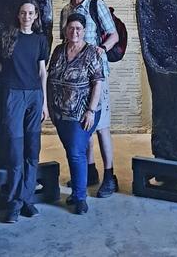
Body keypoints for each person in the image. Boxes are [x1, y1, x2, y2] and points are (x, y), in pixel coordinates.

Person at [0, 1, 49, 223]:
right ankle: (13, 203)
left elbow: (43, 72)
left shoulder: (40, 40)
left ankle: (26, 200)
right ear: (18, 14)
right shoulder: (8, 36)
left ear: (35, 16)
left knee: (32, 152)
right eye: (23, 12)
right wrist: (7, 73)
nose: (26, 16)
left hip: (34, 96)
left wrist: (44, 103)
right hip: (13, 95)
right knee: (15, 152)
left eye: (30, 13)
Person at [59, 0, 119, 198]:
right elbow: (65, 42)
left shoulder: (96, 5)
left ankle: (109, 176)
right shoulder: (66, 11)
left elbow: (113, 35)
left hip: (96, 76)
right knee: (81, 124)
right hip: (74, 79)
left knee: (101, 126)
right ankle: (90, 170)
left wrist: (99, 50)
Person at [48, 13, 103, 214]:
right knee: (72, 152)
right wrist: (50, 107)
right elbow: (50, 79)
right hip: (60, 114)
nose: (74, 32)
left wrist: (90, 110)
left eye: (78, 28)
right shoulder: (58, 51)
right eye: (71, 28)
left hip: (82, 114)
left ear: (84, 31)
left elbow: (98, 82)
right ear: (65, 31)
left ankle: (80, 198)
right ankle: (77, 192)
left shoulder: (90, 53)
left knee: (76, 152)